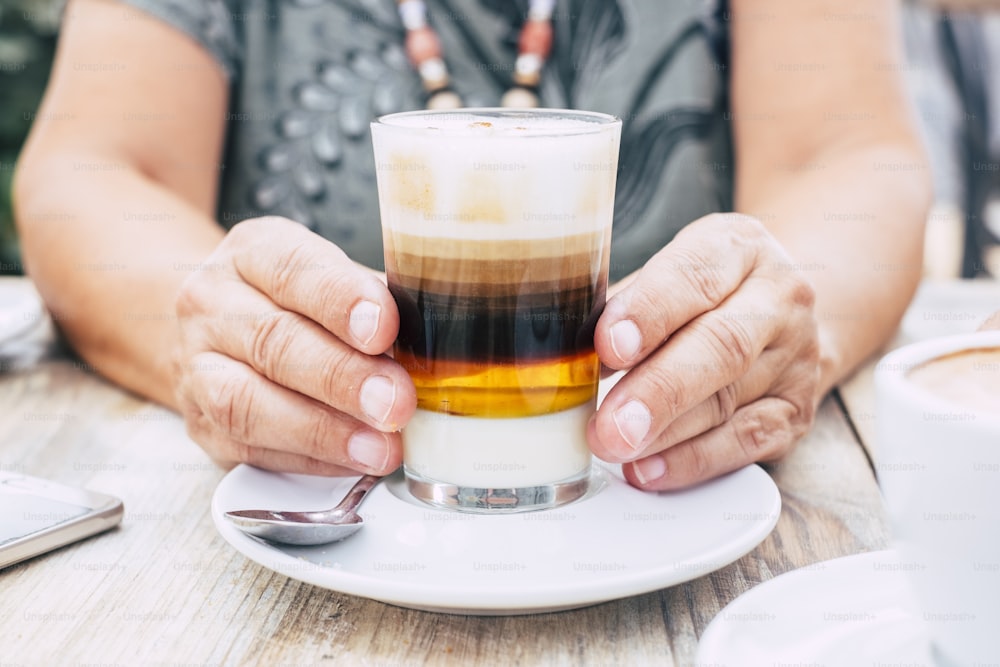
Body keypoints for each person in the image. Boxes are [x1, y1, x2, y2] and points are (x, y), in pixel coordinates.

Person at [13, 0, 931, 491]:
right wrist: (216, 331)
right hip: (326, 492)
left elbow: (847, 155)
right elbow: (93, 169)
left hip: (654, 478)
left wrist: (769, 326)